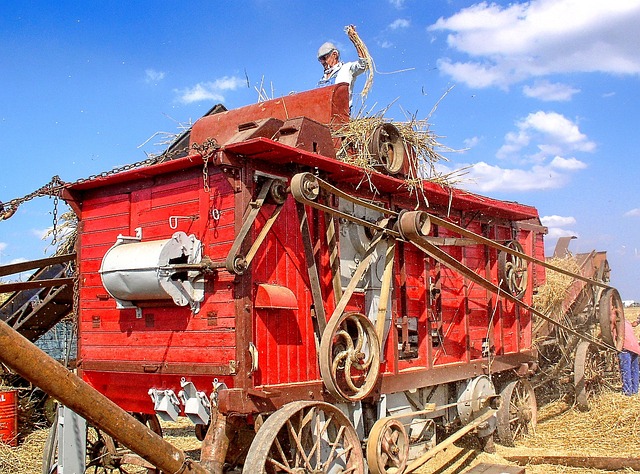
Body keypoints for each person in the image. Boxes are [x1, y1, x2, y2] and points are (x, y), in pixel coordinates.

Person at [317, 41, 368, 108]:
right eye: (320, 60)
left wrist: (357, 43)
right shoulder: (323, 78)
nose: (322, 62)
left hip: (340, 112)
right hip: (321, 112)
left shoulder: (346, 68)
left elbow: (363, 65)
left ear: (334, 54)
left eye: (324, 58)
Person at [619, 316, 640, 396]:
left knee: (626, 370)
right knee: (635, 369)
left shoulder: (614, 322)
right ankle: (635, 390)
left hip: (625, 347)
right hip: (635, 347)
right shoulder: (627, 322)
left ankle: (627, 392)